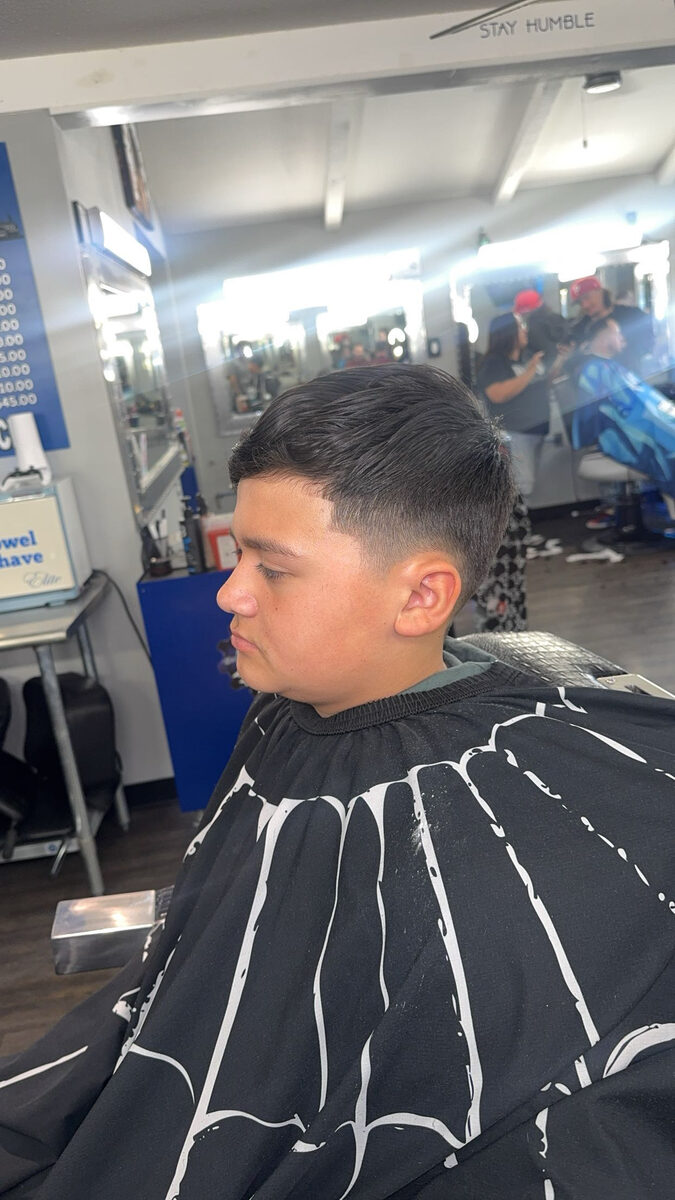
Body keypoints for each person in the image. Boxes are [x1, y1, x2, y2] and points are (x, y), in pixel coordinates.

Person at [0, 365, 673, 1200]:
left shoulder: (540, 829)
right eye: (237, 552)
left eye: (272, 568)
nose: (230, 593)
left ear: (421, 596)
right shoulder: (285, 714)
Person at [570, 316, 675, 496]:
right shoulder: (594, 370)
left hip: (640, 422)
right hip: (619, 433)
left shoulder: (607, 366)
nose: (622, 338)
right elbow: (615, 414)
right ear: (604, 337)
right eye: (617, 333)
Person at [477, 312, 548, 500]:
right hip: (515, 433)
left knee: (527, 486)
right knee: (519, 488)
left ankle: (525, 519)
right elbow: (498, 395)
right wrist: (530, 370)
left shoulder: (524, 358)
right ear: (508, 332)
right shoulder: (494, 362)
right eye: (520, 326)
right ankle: (518, 520)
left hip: (535, 431)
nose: (525, 330)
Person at [569, 276, 654, 376]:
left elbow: (648, 345)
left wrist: (621, 345)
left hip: (632, 379)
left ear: (600, 292)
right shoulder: (578, 329)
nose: (585, 305)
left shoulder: (632, 315)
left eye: (587, 297)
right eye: (580, 302)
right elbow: (572, 365)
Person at [513, 289, 570, 371]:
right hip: (566, 368)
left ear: (525, 312)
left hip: (546, 373)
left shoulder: (533, 328)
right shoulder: (559, 319)